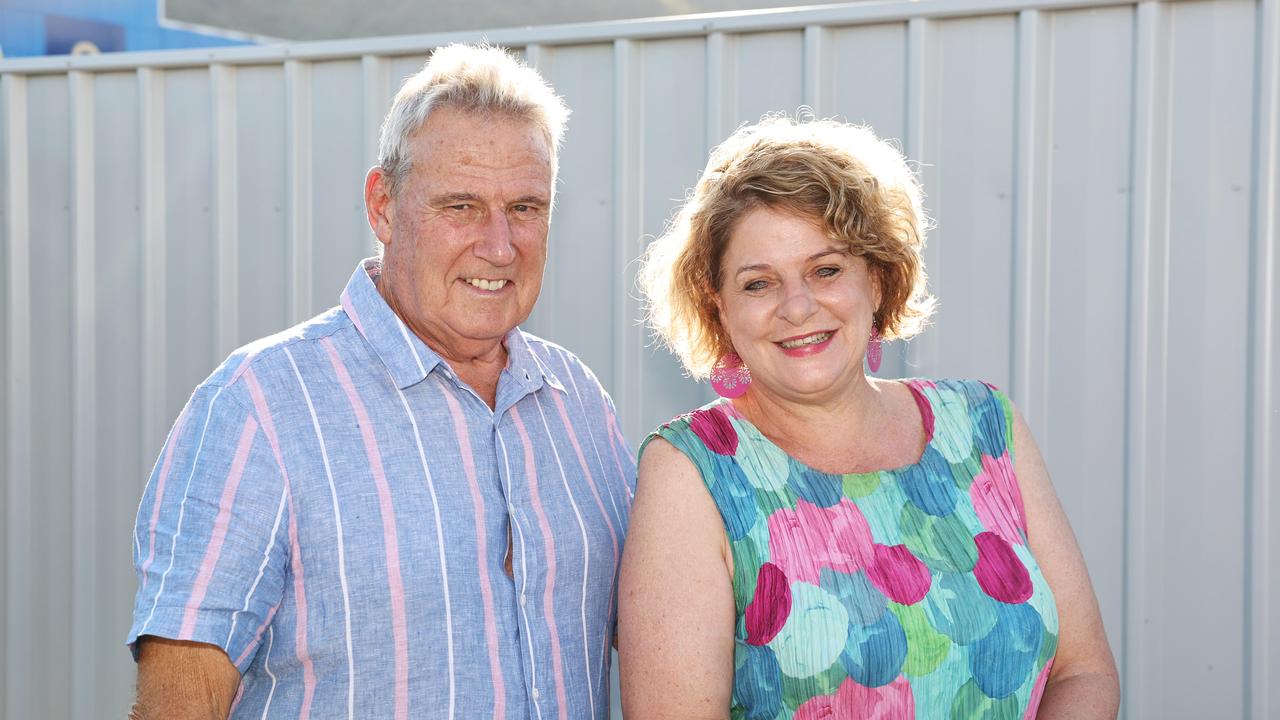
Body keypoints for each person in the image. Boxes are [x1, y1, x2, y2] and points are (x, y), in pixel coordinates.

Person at [128, 44, 635, 720]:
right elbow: (179, 703)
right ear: (384, 206)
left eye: (525, 207)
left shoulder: (580, 406)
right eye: (461, 206)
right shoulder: (260, 405)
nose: (500, 245)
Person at [618, 116, 1119, 719]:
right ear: (718, 306)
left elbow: (1082, 671)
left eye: (826, 270)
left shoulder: (984, 425)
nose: (798, 307)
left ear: (877, 279)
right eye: (759, 284)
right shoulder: (692, 470)